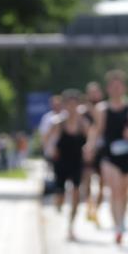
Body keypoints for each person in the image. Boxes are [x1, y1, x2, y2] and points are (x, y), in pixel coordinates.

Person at [86, 71, 128, 245]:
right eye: (113, 86)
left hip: (127, 154)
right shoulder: (102, 109)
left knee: (123, 191)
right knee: (114, 189)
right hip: (109, 154)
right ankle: (117, 227)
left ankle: (122, 220)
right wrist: (90, 146)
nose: (116, 89)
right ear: (108, 88)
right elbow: (96, 130)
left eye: (119, 86)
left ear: (124, 88)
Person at [46, 89, 91, 241]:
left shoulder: (83, 124)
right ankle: (58, 202)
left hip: (77, 162)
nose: (72, 108)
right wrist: (51, 151)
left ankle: (71, 226)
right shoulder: (58, 123)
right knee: (60, 194)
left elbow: (90, 140)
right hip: (61, 162)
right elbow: (48, 140)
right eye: (69, 104)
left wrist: (89, 150)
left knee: (76, 193)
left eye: (75, 104)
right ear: (64, 106)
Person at [82, 81, 105, 226]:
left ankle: (96, 209)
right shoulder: (82, 111)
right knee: (87, 181)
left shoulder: (105, 109)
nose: (94, 95)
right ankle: (88, 206)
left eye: (96, 92)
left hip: (103, 150)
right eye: (92, 92)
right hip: (88, 150)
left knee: (103, 183)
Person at [38, 94, 64, 201]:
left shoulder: (65, 116)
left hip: (65, 149)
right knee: (52, 171)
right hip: (51, 149)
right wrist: (45, 149)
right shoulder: (47, 118)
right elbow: (44, 135)